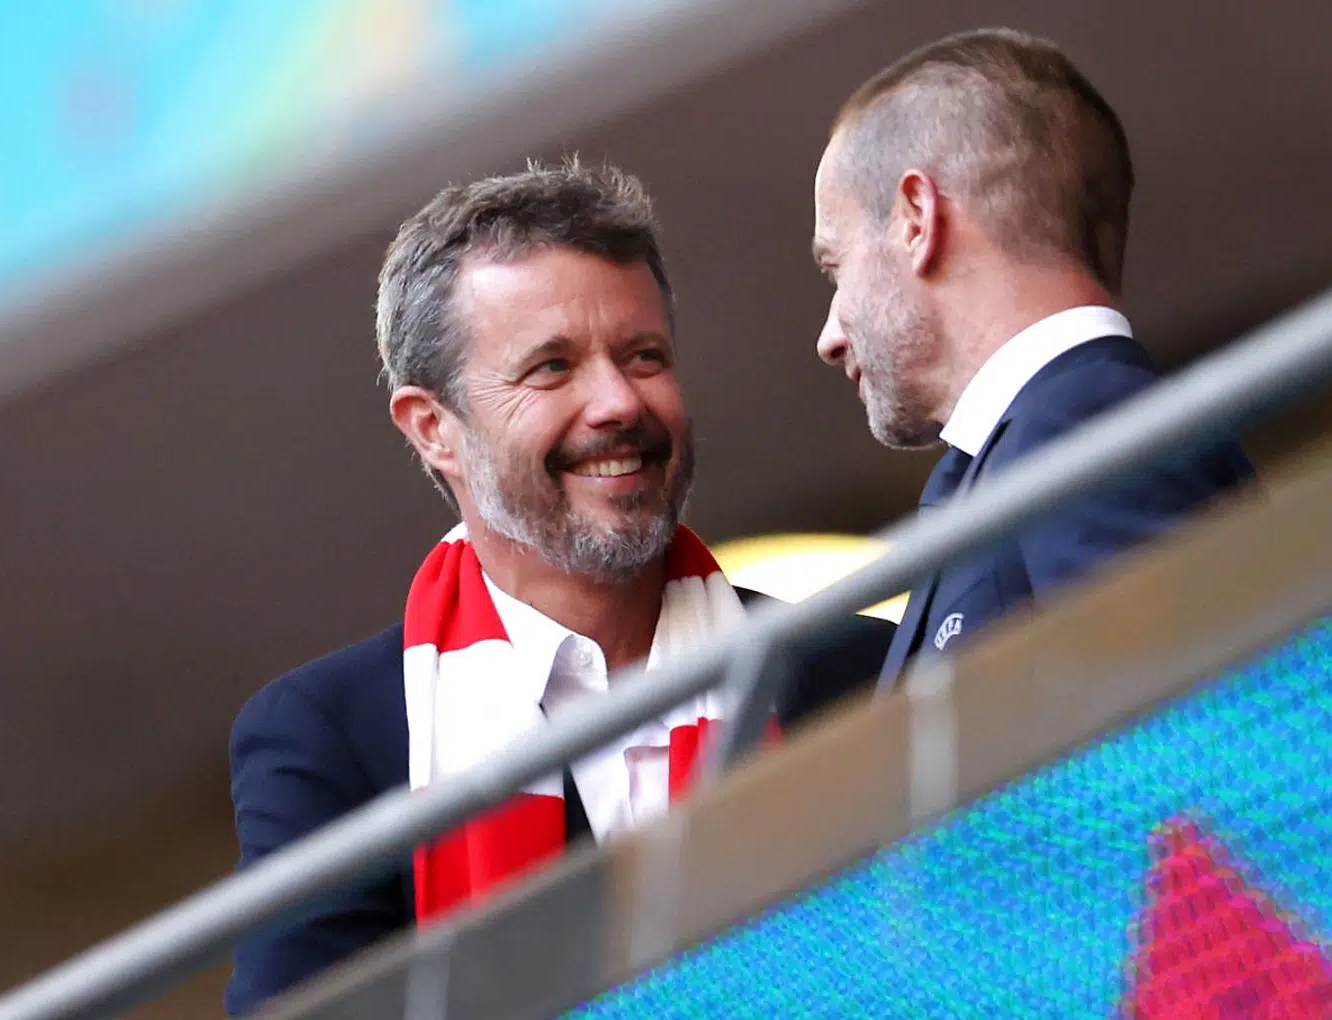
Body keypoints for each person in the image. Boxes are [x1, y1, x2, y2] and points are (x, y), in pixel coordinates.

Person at [226, 159, 892, 1015]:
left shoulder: (855, 671)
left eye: (644, 355)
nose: (617, 401)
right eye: (552, 368)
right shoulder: (331, 738)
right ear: (435, 430)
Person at [810, 28, 1256, 686]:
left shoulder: (1086, 422)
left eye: (835, 267)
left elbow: (1181, 744)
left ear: (915, 219)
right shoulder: (1032, 445)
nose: (830, 337)